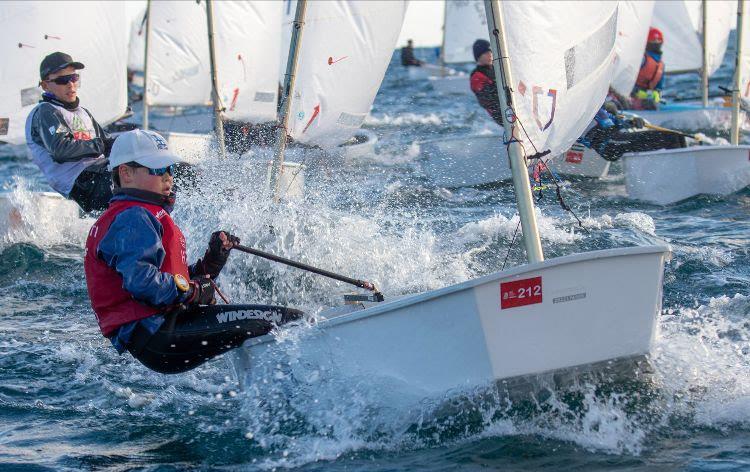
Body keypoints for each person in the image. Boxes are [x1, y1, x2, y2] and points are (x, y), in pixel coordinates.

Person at [83, 129, 301, 374]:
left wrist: (210, 264)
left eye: (170, 169)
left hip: (161, 332)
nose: (167, 177)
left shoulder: (136, 213)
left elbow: (169, 280)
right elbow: (143, 283)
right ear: (126, 174)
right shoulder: (133, 216)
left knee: (271, 320)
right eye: (156, 169)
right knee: (287, 320)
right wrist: (194, 291)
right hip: (159, 334)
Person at [26, 52, 116, 213]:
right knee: (133, 183)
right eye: (62, 80)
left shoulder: (83, 112)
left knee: (169, 170)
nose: (71, 84)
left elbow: (108, 145)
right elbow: (61, 149)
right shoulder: (45, 112)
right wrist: (102, 145)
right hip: (81, 182)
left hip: (101, 172)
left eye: (74, 78)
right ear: (45, 85)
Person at [579, 101, 685, 161]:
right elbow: (604, 128)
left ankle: (684, 162)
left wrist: (629, 121)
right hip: (609, 146)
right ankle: (679, 167)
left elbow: (613, 120)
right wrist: (626, 123)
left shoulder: (596, 106)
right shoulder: (585, 109)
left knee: (677, 135)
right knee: (672, 138)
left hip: (615, 138)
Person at [630, 27, 665, 111]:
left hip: (647, 99)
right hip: (631, 96)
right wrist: (635, 92)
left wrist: (656, 94)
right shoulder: (641, 58)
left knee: (652, 104)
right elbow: (626, 77)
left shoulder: (661, 64)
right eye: (653, 41)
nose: (656, 43)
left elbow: (658, 87)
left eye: (658, 41)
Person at [469, 39, 503, 126]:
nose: (490, 55)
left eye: (490, 52)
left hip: (511, 105)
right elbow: (486, 100)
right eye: (486, 53)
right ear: (479, 56)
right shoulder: (476, 75)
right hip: (500, 113)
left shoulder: (498, 68)